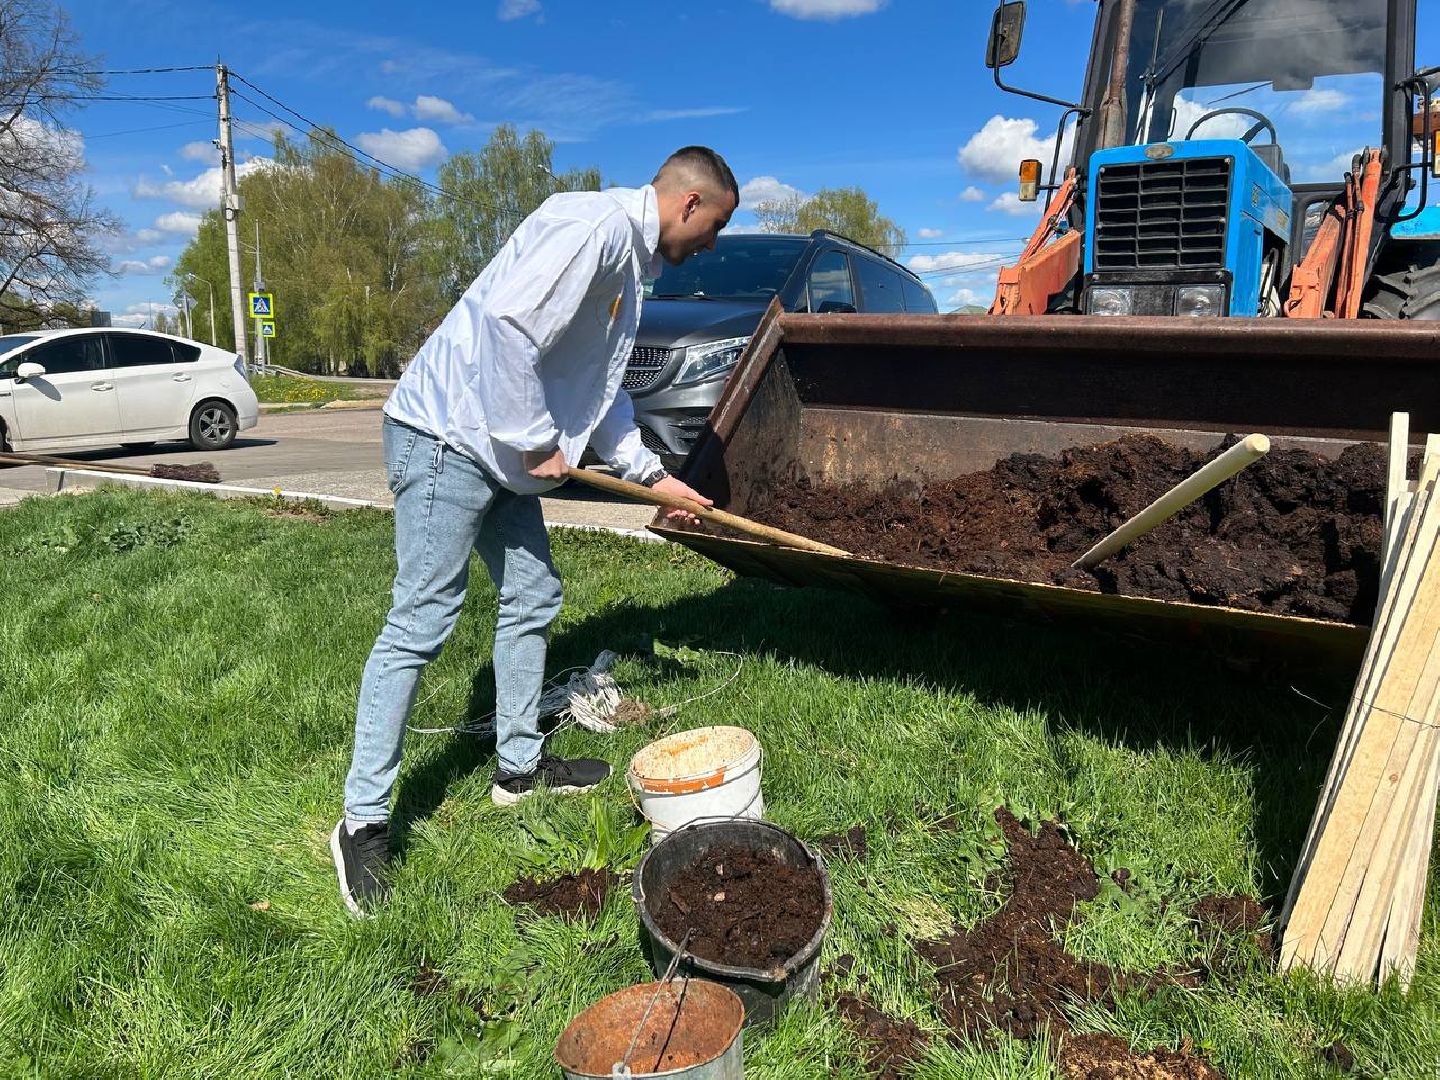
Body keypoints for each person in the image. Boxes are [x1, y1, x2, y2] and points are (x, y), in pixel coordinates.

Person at [330, 146, 737, 916]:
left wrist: (653, 476)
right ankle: (363, 822)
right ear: (688, 205)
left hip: (503, 451)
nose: (709, 245)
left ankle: (516, 769)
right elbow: (506, 327)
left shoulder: (627, 268)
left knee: (534, 593)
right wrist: (533, 435)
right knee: (422, 619)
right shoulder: (591, 228)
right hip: (449, 435)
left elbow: (601, 396)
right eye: (712, 228)